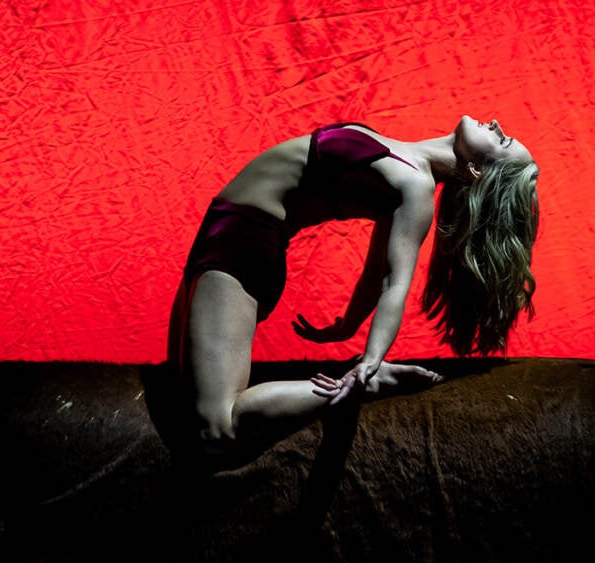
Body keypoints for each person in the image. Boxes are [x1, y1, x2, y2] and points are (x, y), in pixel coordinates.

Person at [167, 115, 539, 463]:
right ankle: (368, 377)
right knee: (179, 400)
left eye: (501, 139)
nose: (494, 123)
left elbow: (395, 283)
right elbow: (377, 267)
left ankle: (375, 382)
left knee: (217, 426)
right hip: (225, 235)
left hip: (239, 249)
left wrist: (369, 361)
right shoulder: (408, 161)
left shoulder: (416, 187)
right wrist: (348, 323)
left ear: (476, 170)